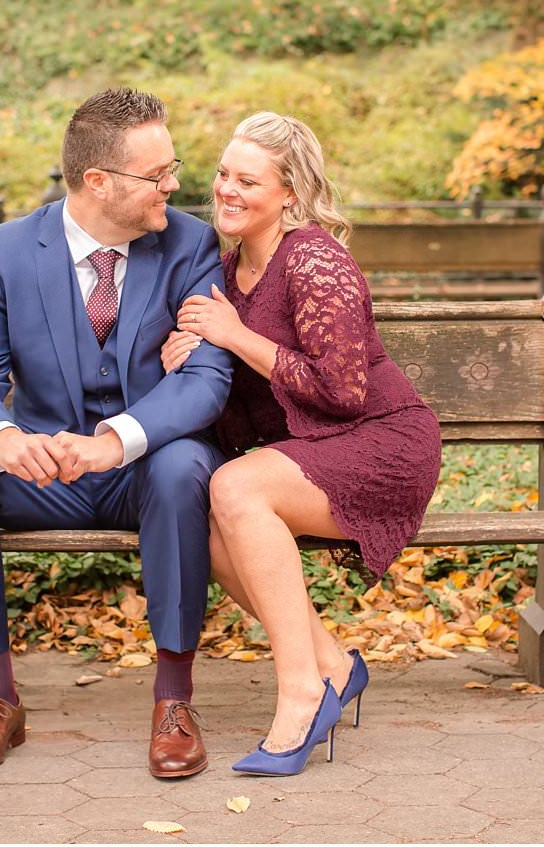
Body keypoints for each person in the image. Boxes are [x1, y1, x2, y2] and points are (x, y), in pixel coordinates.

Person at [0, 88, 233, 778]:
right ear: (98, 181)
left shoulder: (190, 245)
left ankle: (175, 700)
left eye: (172, 168)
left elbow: (207, 380)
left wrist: (116, 439)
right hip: (44, 476)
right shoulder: (5, 251)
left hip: (144, 472)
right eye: (158, 175)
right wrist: (3, 439)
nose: (174, 185)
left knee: (184, 468)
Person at [163, 111, 442, 776]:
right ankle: (334, 665)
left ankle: (301, 693)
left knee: (234, 486)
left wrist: (233, 337)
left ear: (289, 192)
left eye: (247, 180)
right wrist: (190, 351)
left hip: (382, 442)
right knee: (208, 517)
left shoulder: (315, 260)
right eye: (223, 174)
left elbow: (342, 390)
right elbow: (242, 394)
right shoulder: (228, 270)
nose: (226, 190)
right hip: (315, 450)